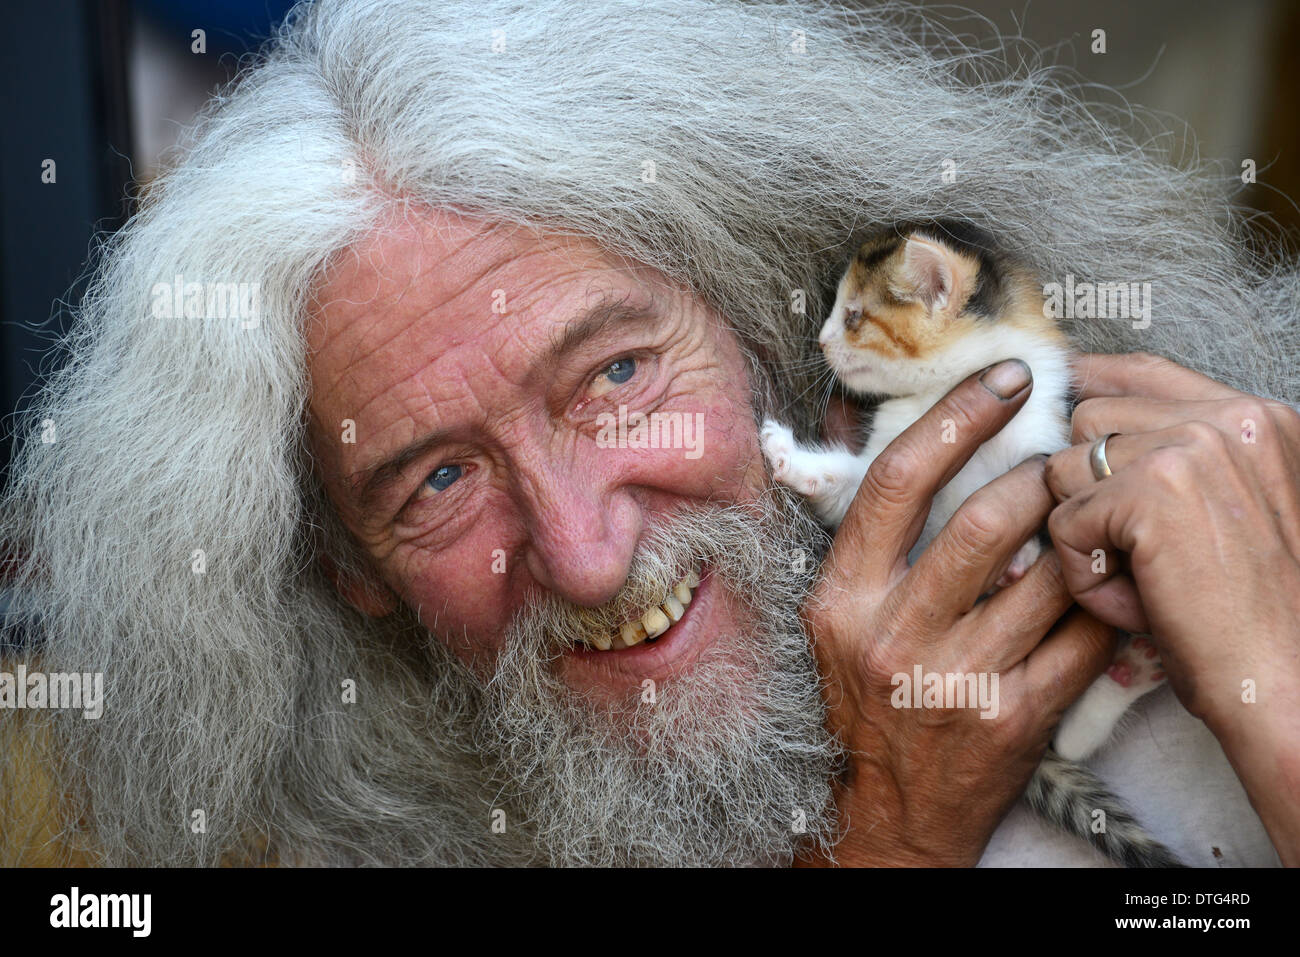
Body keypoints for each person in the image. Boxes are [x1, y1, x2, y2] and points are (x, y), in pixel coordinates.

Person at [1, 0, 1297, 867]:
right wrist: (893, 840)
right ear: (348, 572)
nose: (581, 549)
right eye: (437, 479)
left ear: (766, 317)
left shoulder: (1218, 521)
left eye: (615, 371)